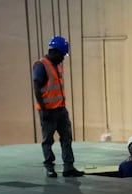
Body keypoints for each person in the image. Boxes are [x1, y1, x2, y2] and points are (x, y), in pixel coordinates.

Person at [33, 36, 82, 178]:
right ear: (54, 52)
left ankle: (69, 167)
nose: (63, 58)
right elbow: (37, 87)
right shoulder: (41, 65)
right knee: (48, 140)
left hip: (60, 110)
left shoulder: (57, 65)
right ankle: (50, 168)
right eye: (62, 55)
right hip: (48, 111)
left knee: (67, 138)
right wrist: (43, 109)